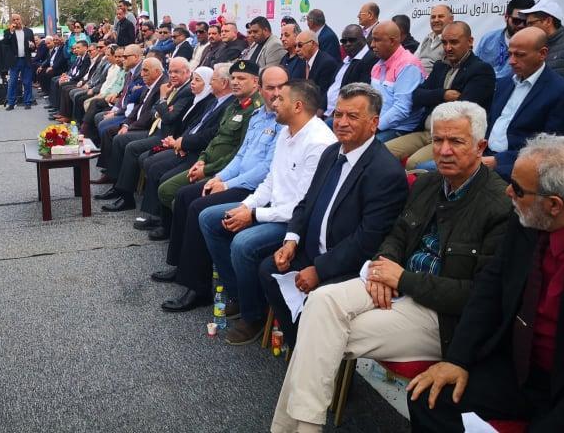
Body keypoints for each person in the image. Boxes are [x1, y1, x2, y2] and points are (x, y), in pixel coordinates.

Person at [271, 101, 512, 433]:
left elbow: (479, 296)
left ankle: (294, 429)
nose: (444, 150)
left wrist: (403, 279)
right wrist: (386, 266)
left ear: (480, 147)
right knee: (320, 303)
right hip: (394, 284)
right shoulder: (428, 184)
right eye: (438, 140)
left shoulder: (499, 206)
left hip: (440, 316)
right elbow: (396, 234)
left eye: (456, 141)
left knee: (319, 332)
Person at [407, 135, 564, 432]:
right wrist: (457, 360)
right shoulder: (528, 218)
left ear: (554, 205)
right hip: (519, 368)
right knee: (427, 397)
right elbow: (489, 288)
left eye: (517, 189)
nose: (508, 191)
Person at [261, 83, 408, 349]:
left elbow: (367, 240)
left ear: (374, 123)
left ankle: (315, 351)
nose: (341, 122)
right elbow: (306, 202)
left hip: (347, 265)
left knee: (321, 299)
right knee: (268, 268)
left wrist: (320, 270)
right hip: (311, 251)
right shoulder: (332, 152)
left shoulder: (385, 172)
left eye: (352, 116)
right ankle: (300, 345)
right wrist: (291, 240)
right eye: (338, 114)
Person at [201, 80, 336, 344]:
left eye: (280, 99)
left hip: (296, 223)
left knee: (243, 243)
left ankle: (253, 316)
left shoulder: (318, 143)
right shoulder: (286, 132)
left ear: (297, 106)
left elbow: (301, 207)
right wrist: (247, 206)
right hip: (273, 208)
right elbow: (271, 181)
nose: (273, 102)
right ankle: (240, 295)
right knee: (210, 218)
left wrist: (253, 215)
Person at [153, 65, 287, 309]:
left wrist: (226, 183)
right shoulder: (258, 116)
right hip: (236, 177)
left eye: (281, 87)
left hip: (254, 188)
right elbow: (241, 155)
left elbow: (265, 169)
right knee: (184, 195)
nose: (276, 93)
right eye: (271, 88)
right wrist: (219, 177)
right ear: (261, 88)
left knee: (198, 207)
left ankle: (199, 287)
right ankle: (181, 267)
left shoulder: (283, 122)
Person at [152, 61, 262, 240]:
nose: (235, 82)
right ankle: (177, 232)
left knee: (181, 198)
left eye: (241, 78)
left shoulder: (253, 110)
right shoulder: (233, 105)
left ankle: (183, 237)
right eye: (234, 77)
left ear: (256, 82)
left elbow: (239, 152)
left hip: (223, 169)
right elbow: (216, 138)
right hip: (206, 160)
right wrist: (202, 159)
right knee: (167, 189)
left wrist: (208, 169)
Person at [386, 21, 495, 169]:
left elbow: (463, 110)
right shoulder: (440, 66)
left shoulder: (480, 70)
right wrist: (443, 95)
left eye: (454, 42)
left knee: (414, 163)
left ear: (470, 41)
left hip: (452, 137)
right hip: (426, 131)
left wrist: (431, 97)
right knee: (383, 151)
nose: (448, 48)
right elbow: (417, 95)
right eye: (444, 42)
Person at [134, 65, 222, 232]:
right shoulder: (201, 99)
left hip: (195, 151)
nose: (192, 83)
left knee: (159, 170)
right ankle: (154, 214)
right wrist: (180, 142)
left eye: (198, 80)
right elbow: (192, 126)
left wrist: (182, 143)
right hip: (181, 142)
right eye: (193, 79)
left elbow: (174, 119)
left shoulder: (207, 100)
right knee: (151, 162)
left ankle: (163, 222)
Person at [99, 57, 193, 211]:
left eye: (177, 72)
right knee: (119, 139)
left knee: (131, 147)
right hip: (155, 129)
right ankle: (117, 187)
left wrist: (163, 100)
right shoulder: (173, 86)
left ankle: (126, 197)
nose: (172, 75)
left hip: (166, 135)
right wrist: (162, 109)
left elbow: (169, 117)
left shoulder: (186, 91)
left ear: (188, 72)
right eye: (171, 72)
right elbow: (154, 110)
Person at [484, 27, 564, 180]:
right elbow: (491, 123)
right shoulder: (504, 83)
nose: (512, 61)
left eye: (520, 55)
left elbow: (550, 148)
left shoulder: (560, 92)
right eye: (510, 54)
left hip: (517, 168)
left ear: (542, 53)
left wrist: (498, 161)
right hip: (484, 155)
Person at [370, 21, 426, 141]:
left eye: (376, 40)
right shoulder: (377, 65)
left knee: (365, 146)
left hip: (400, 128)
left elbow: (401, 109)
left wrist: (373, 127)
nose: (372, 44)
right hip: (376, 124)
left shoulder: (408, 65)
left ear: (392, 41)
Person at [519, 0, 564, 92]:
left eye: (531, 23)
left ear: (548, 21)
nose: (527, 28)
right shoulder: (531, 46)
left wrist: (546, 99)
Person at [323, 25, 377, 118]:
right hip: (327, 111)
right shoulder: (345, 60)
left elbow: (359, 93)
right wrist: (321, 108)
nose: (347, 44)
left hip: (344, 114)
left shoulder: (369, 59)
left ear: (363, 40)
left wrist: (336, 114)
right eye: (344, 41)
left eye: (352, 40)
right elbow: (332, 87)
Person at [475, 0, 535, 78]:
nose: (521, 25)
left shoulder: (534, 46)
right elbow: (474, 68)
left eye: (525, 22)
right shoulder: (488, 39)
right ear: (506, 17)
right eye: (516, 21)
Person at [295, 30, 339, 111]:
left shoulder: (327, 63)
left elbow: (323, 95)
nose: (296, 49)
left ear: (312, 44)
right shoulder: (300, 62)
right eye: (295, 46)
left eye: (300, 45)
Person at [2, 13, 36, 110]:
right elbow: (5, 43)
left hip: (26, 59)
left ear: (21, 20)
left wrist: (32, 46)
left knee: (27, 82)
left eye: (18, 19)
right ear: (11, 22)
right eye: (14, 20)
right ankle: (11, 103)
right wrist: (11, 32)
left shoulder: (29, 31)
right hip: (14, 61)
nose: (16, 21)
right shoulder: (7, 32)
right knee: (12, 82)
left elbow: (33, 47)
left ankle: (27, 102)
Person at [417, 4, 454, 73]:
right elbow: (414, 60)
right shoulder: (427, 38)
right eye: (433, 17)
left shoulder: (453, 41)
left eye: (441, 16)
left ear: (451, 19)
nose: (436, 20)